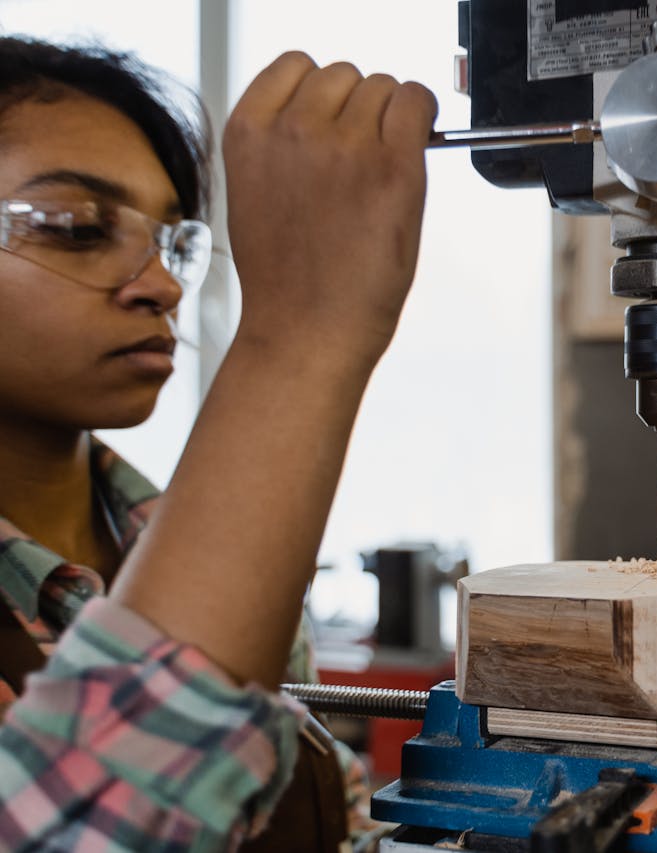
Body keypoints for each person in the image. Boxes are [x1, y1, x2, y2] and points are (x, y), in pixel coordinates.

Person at [0, 36, 437, 850]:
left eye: (172, 241)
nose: (163, 286)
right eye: (75, 227)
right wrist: (301, 334)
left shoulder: (197, 544)